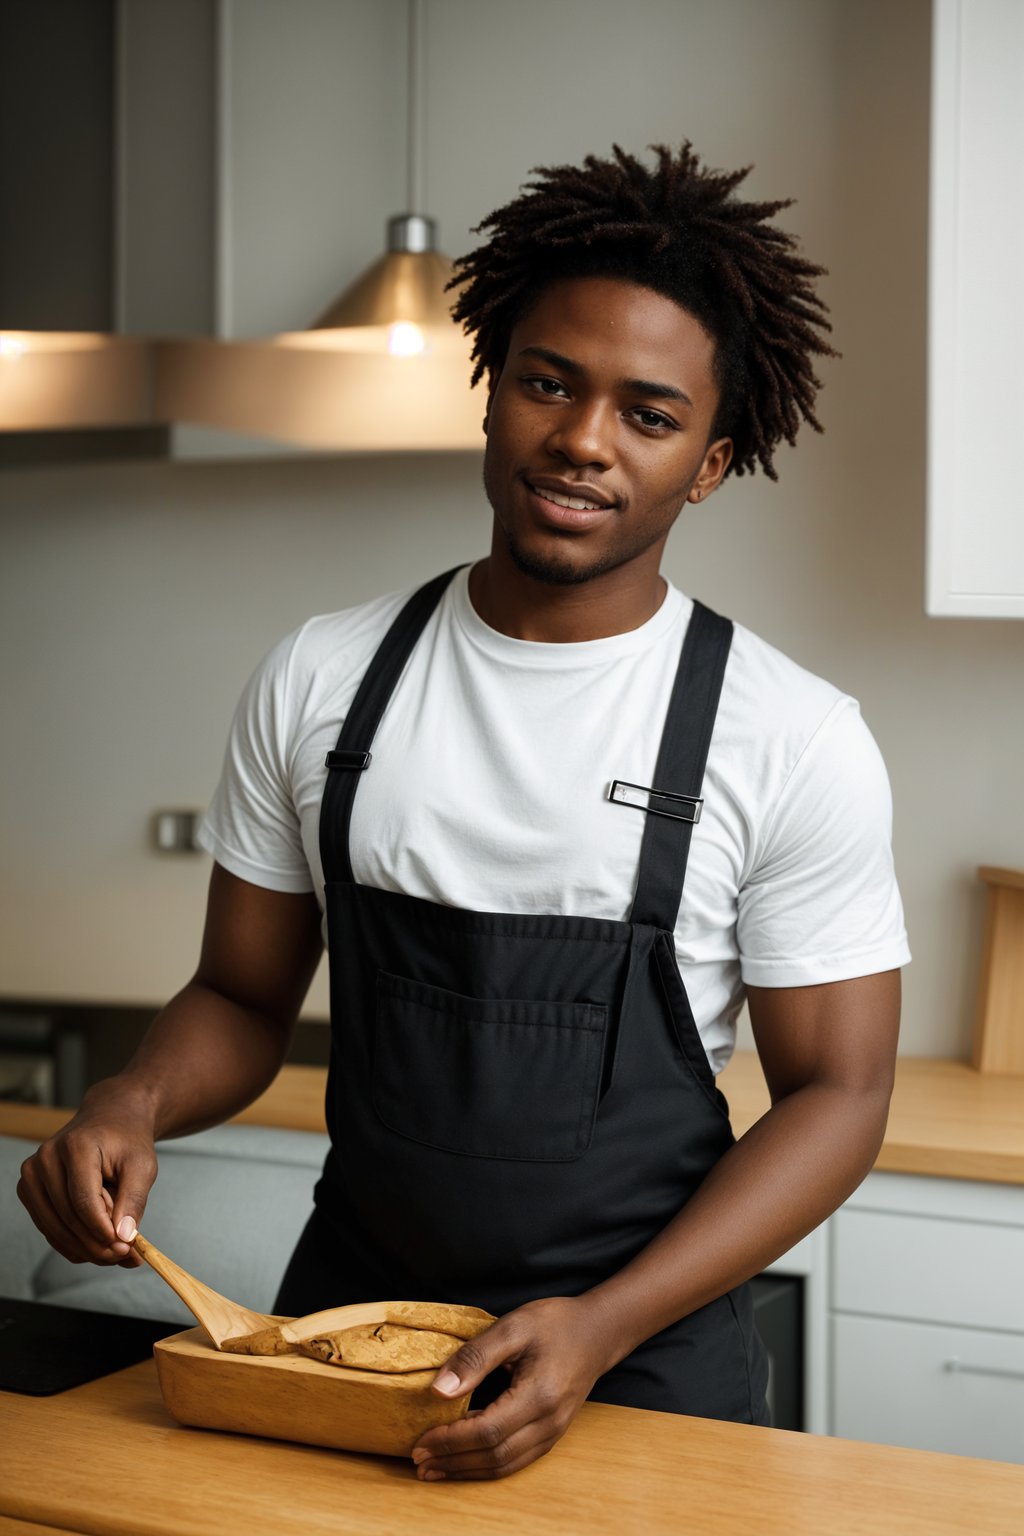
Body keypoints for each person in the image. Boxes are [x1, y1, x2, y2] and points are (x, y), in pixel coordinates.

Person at [18, 142, 909, 1480]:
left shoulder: (789, 737)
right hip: (346, 1336)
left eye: (648, 414)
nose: (583, 441)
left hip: (645, 1358)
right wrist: (134, 1100)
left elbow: (839, 1095)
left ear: (711, 462)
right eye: (551, 382)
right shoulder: (322, 678)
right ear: (492, 387)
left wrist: (601, 1327)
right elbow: (243, 998)